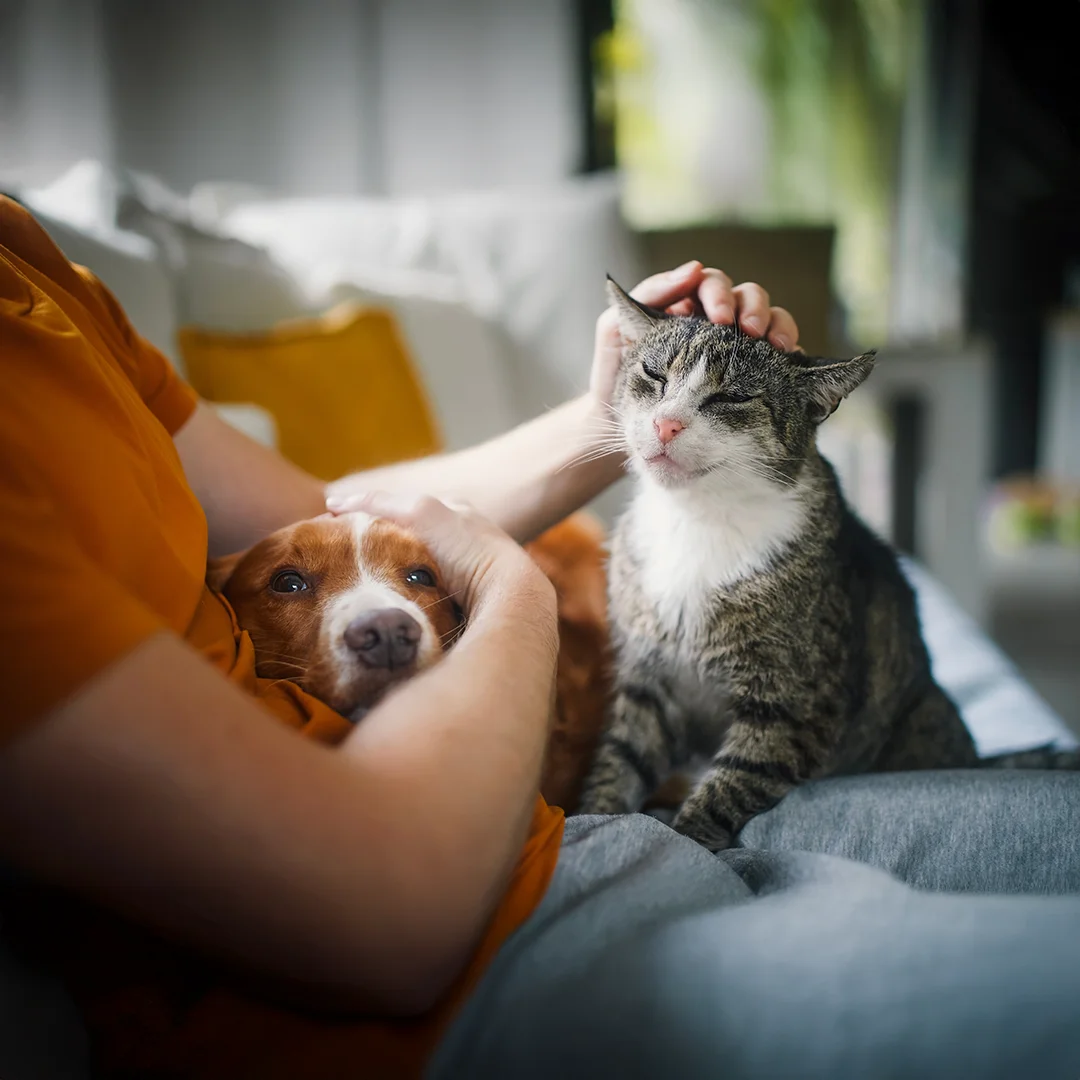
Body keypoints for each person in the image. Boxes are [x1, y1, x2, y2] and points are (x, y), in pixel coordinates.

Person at [0, 193, 1077, 1080]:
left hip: (604, 841)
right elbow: (385, 918)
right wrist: (508, 587)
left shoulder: (34, 263)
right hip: (464, 981)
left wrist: (609, 415)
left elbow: (333, 514)